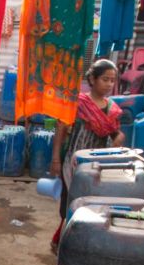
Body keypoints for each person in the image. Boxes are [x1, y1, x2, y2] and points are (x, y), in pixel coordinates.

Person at [48, 59, 125, 250]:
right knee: (68, 205)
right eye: (105, 79)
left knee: (88, 206)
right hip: (72, 164)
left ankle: (68, 243)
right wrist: (56, 159)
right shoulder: (78, 103)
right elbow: (61, 129)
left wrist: (118, 140)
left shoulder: (111, 109)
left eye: (112, 80)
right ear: (92, 79)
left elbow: (116, 133)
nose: (109, 84)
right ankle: (63, 243)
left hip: (96, 167)